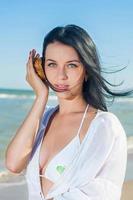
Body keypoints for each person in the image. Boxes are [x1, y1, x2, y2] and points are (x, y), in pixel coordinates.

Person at [5, 24, 133, 200]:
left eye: (71, 65)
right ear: (41, 69)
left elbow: (104, 193)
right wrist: (41, 97)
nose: (61, 76)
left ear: (86, 70)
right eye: (52, 64)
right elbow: (13, 164)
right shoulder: (43, 117)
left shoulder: (104, 126)